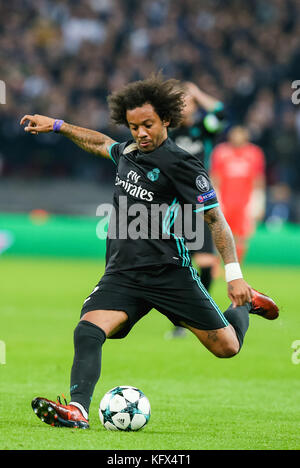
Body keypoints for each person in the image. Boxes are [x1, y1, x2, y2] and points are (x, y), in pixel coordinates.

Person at [20, 74, 278, 429]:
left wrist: (235, 277)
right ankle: (78, 410)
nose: (140, 133)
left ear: (166, 121)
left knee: (227, 348)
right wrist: (59, 126)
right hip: (123, 273)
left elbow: (216, 221)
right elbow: (100, 143)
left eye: (147, 125)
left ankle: (244, 304)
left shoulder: (183, 164)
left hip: (167, 271)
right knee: (87, 330)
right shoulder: (128, 151)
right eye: (133, 126)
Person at [168, 82, 227, 338]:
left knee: (204, 262)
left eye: (188, 103)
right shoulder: (166, 132)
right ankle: (179, 321)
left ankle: (199, 315)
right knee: (174, 264)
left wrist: (197, 93)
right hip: (171, 205)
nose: (185, 108)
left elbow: (221, 113)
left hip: (199, 203)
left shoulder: (203, 130)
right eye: (180, 104)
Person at [210, 126, 266, 264]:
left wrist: (258, 201)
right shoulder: (221, 152)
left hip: (244, 203)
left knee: (242, 236)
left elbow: (258, 179)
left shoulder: (255, 153)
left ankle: (237, 265)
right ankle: (215, 265)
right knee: (219, 232)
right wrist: (215, 198)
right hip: (225, 200)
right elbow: (215, 176)